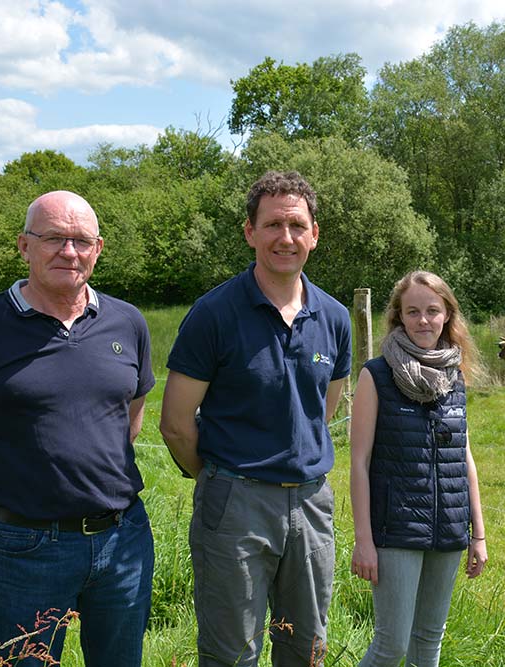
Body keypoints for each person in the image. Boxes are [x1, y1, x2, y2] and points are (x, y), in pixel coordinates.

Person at [0, 191, 156, 666]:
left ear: (98, 249)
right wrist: (15, 499)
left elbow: (129, 418)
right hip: (23, 546)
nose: (68, 252)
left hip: (121, 539)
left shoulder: (126, 322)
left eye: (80, 241)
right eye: (53, 238)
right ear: (24, 246)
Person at [159, 170, 352, 667]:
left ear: (314, 234)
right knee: (232, 653)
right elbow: (177, 423)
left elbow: (322, 410)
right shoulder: (215, 314)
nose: (284, 238)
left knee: (305, 648)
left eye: (295, 225)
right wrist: (222, 478)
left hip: (311, 505)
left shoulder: (334, 317)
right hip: (235, 504)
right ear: (250, 232)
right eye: (271, 225)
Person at [349, 270, 488, 667]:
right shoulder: (376, 375)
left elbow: (465, 457)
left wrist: (477, 533)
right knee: (391, 646)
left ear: (448, 316)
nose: (423, 320)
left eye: (432, 310)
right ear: (398, 317)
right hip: (395, 530)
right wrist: (364, 540)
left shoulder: (454, 375)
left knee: (428, 642)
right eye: (413, 312)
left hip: (448, 528)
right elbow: (359, 461)